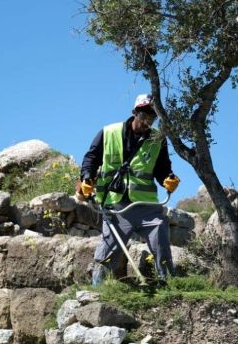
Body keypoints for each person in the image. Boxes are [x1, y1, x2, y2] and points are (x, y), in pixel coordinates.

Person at [76, 93, 180, 285]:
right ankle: (97, 291)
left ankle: (169, 286)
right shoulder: (109, 132)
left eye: (152, 115)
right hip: (116, 205)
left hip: (145, 206)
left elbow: (163, 168)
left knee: (160, 233)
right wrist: (87, 178)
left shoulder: (158, 139)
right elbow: (91, 158)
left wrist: (168, 179)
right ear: (135, 112)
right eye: (144, 114)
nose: (148, 118)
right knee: (108, 251)